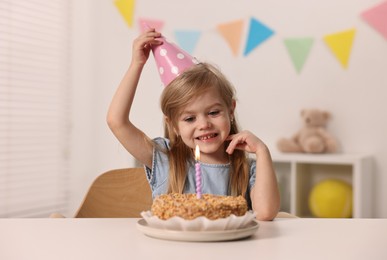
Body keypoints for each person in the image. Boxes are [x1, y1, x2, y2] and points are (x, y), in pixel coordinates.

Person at [107, 28, 280, 221]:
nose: (204, 124)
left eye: (213, 112)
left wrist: (262, 151)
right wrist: (136, 64)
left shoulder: (246, 169)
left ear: (230, 110)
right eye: (190, 118)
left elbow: (265, 214)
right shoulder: (166, 159)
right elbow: (117, 122)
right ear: (173, 125)